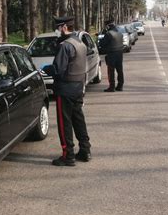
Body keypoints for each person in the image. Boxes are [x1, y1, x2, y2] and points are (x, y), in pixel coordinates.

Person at [42, 17, 91, 167]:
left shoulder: (65, 46)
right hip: (78, 87)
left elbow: (58, 69)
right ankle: (85, 150)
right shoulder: (79, 42)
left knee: (65, 124)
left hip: (65, 89)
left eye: (58, 28)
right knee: (79, 120)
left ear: (63, 27)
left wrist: (45, 68)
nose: (57, 31)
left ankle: (67, 155)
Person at [100, 19, 124, 92]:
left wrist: (103, 35)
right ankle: (120, 86)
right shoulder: (120, 33)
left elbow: (102, 44)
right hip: (120, 53)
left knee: (111, 70)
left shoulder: (108, 34)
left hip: (111, 54)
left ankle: (112, 87)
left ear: (107, 26)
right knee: (120, 70)